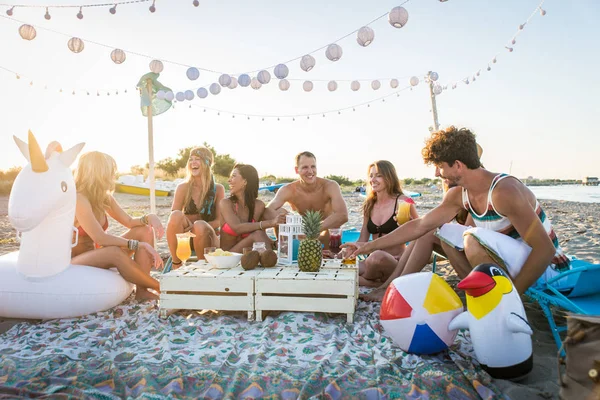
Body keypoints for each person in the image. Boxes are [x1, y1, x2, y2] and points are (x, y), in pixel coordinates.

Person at [351, 126, 569, 295]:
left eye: (440, 166)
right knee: (435, 231)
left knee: (471, 237)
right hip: (505, 260)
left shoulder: (504, 191)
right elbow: (420, 225)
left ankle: (497, 299)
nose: (437, 173)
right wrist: (367, 246)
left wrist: (511, 298)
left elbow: (545, 250)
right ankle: (475, 293)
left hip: (547, 270)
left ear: (457, 165)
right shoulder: (459, 195)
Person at [70, 151, 164, 301]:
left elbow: (129, 221)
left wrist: (149, 217)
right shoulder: (79, 198)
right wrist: (138, 245)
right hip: (75, 260)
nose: (114, 176)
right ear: (98, 173)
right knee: (114, 252)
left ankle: (142, 291)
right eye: (111, 172)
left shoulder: (104, 198)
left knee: (144, 231)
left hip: (96, 254)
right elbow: (100, 238)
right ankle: (162, 288)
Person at [347, 161, 418, 287]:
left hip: (394, 262)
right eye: (371, 176)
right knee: (345, 260)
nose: (373, 180)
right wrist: (350, 250)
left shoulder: (403, 201)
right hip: (371, 262)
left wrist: (404, 253)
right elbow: (363, 238)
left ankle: (366, 281)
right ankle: (374, 283)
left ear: (389, 177)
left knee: (377, 256)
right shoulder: (369, 204)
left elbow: (420, 233)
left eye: (378, 175)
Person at [265, 151, 348, 250]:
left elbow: (343, 215)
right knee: (280, 212)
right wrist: (289, 222)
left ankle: (326, 253)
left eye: (313, 167)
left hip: (323, 232)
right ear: (297, 170)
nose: (310, 171)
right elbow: (267, 212)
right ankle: (281, 246)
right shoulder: (289, 189)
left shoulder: (330, 186)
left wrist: (314, 229)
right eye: (305, 167)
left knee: (333, 229)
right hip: (300, 233)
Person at [166, 147, 225, 265]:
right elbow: (174, 220)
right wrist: (190, 229)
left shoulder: (218, 189)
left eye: (197, 159)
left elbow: (219, 221)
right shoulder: (183, 188)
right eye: (190, 159)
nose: (193, 162)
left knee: (200, 226)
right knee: (176, 215)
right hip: (187, 238)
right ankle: (176, 263)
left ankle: (201, 266)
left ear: (207, 163)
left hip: (209, 236)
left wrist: (195, 227)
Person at [220, 164, 286, 252]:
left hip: (250, 256)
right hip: (229, 256)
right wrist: (271, 223)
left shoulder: (258, 205)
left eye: (233, 176)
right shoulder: (226, 203)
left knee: (280, 212)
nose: (229, 180)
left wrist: (276, 241)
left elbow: (276, 219)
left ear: (245, 181)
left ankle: (284, 249)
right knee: (258, 234)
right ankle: (271, 258)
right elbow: (237, 228)